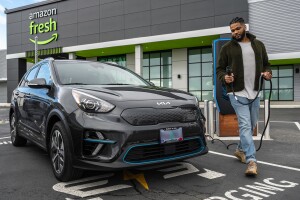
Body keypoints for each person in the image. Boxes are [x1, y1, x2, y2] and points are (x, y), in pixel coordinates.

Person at [216, 17, 272, 176]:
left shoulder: (258, 45)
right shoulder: (227, 48)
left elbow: (267, 63)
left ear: (244, 27)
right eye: (232, 30)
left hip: (254, 91)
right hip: (236, 92)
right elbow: (219, 69)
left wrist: (268, 73)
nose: (235, 32)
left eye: (237, 29)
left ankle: (240, 149)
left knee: (252, 123)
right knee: (245, 125)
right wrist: (224, 78)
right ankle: (251, 161)